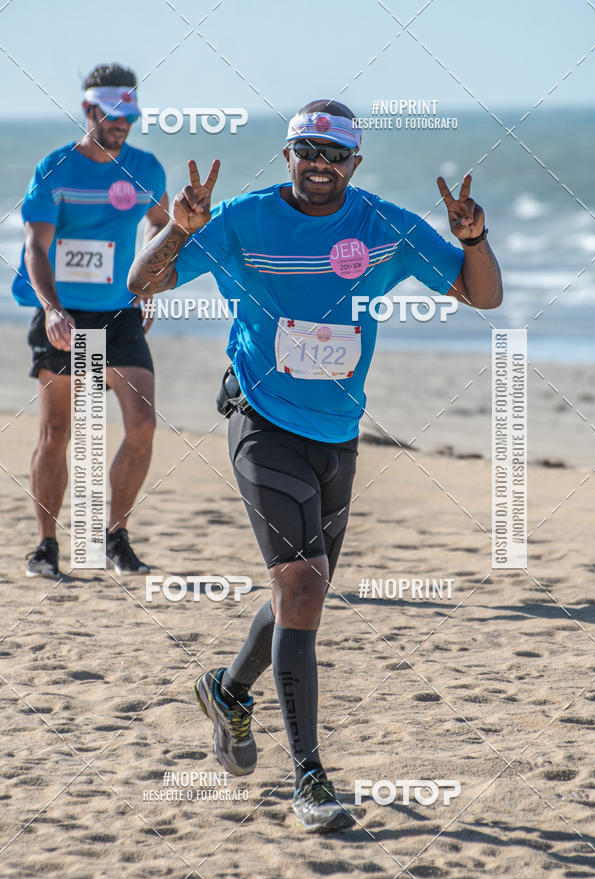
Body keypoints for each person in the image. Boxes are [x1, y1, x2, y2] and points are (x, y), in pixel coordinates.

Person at [128, 99, 503, 831]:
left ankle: (230, 690)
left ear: (353, 163)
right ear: (288, 154)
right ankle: (310, 776)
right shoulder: (240, 219)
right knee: (300, 584)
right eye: (307, 150)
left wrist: (474, 237)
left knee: (306, 590)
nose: (319, 164)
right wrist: (181, 227)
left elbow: (480, 296)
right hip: (258, 418)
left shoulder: (383, 226)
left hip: (338, 431)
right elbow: (145, 284)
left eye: (334, 154)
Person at [13, 63, 170, 577]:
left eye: (130, 113)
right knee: (57, 431)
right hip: (64, 312)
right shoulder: (55, 168)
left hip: (120, 312)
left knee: (143, 424)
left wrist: (148, 283)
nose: (122, 122)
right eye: (113, 113)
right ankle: (46, 547)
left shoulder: (146, 169)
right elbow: (36, 247)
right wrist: (53, 309)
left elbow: (164, 231)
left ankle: (115, 537)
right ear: (89, 109)